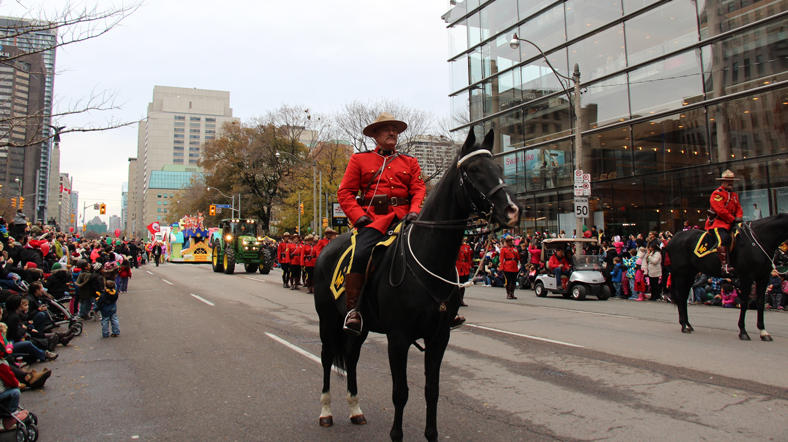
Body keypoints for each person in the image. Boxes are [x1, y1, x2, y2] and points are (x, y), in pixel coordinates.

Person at [336, 112, 429, 335]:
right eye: (387, 129)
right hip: (374, 220)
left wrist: (415, 211)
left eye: (395, 130)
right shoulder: (360, 160)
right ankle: (354, 310)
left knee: (434, 248)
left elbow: (418, 190)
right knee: (359, 254)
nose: (392, 133)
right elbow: (345, 193)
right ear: (375, 134)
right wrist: (358, 216)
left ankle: (445, 304)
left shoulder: (410, 161)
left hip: (406, 218)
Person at [705, 170, 743, 275]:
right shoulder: (717, 194)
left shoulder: (734, 195)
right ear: (723, 182)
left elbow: (739, 208)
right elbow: (720, 210)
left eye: (732, 181)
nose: (731, 183)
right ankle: (724, 266)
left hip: (734, 222)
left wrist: (739, 217)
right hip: (719, 223)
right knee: (723, 239)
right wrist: (732, 219)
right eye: (728, 181)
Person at [456, 237, 473, 306]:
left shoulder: (467, 247)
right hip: (458, 266)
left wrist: (469, 265)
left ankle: (461, 300)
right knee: (457, 284)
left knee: (463, 284)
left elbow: (469, 257)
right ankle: (456, 299)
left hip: (465, 267)